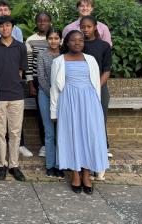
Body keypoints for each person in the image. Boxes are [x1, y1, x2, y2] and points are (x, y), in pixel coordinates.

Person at [50, 30, 109, 194]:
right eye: (73, 40)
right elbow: (54, 89)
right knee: (73, 137)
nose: (77, 43)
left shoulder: (91, 60)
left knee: (88, 137)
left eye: (81, 40)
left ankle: (86, 175)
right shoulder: (59, 61)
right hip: (68, 103)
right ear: (67, 43)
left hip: (89, 102)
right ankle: (75, 174)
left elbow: (96, 84)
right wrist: (54, 113)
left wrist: (96, 106)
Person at [0, 16, 27, 182]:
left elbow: (21, 71)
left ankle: (14, 165)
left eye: (8, 25)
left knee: (15, 132)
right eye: (1, 26)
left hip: (16, 96)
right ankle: (1, 165)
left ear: (12, 27)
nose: (5, 28)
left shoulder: (20, 47)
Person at [80, 15, 113, 159]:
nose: (86, 29)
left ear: (95, 27)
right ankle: (84, 148)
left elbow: (107, 70)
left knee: (100, 118)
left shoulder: (103, 46)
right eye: (83, 27)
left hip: (99, 88)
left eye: (89, 26)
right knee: (82, 119)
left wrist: (97, 87)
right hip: (80, 88)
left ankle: (103, 147)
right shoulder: (77, 44)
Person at [36, 28, 65, 179]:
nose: (53, 41)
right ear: (47, 40)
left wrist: (60, 95)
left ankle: (60, 165)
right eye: (50, 38)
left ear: (60, 40)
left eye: (56, 38)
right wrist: (52, 94)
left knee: (61, 132)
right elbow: (41, 77)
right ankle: (50, 165)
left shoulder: (65, 55)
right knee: (49, 132)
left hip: (64, 97)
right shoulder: (42, 54)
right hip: (45, 95)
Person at [24, 12, 52, 158]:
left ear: (50, 22)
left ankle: (56, 143)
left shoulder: (55, 38)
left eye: (45, 20)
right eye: (39, 21)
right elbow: (28, 65)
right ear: (36, 23)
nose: (42, 23)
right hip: (37, 80)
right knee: (42, 114)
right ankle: (44, 145)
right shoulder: (31, 40)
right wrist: (30, 84)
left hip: (55, 80)